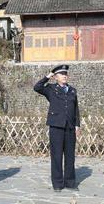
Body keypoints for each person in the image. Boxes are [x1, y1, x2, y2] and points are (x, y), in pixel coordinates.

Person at [33, 64, 80, 192]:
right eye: (61, 74)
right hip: (56, 127)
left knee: (70, 156)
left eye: (66, 74)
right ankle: (58, 183)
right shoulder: (51, 89)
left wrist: (77, 125)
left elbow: (76, 109)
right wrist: (48, 76)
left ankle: (70, 183)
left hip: (70, 127)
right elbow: (36, 87)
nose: (65, 76)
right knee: (57, 156)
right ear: (56, 77)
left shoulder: (72, 90)